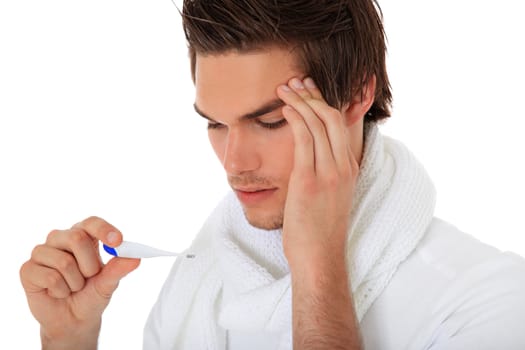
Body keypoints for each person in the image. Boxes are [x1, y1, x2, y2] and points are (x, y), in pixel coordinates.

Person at [19, 0, 525, 349]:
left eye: (270, 120)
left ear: (356, 96)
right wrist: (68, 339)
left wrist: (318, 264)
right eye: (216, 123)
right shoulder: (200, 282)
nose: (234, 163)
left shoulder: (486, 299)